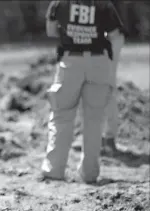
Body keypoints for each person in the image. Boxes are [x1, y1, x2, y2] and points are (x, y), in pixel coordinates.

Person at [41, 0, 125, 183]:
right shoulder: (104, 4)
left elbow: (51, 30)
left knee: (61, 117)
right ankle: (89, 174)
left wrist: (72, 33)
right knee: (94, 120)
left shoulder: (59, 3)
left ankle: (54, 171)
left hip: (70, 62)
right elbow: (115, 34)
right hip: (98, 63)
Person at [102, 0, 128, 154]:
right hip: (100, 37)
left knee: (107, 87)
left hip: (111, 36)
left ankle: (108, 139)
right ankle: (99, 138)